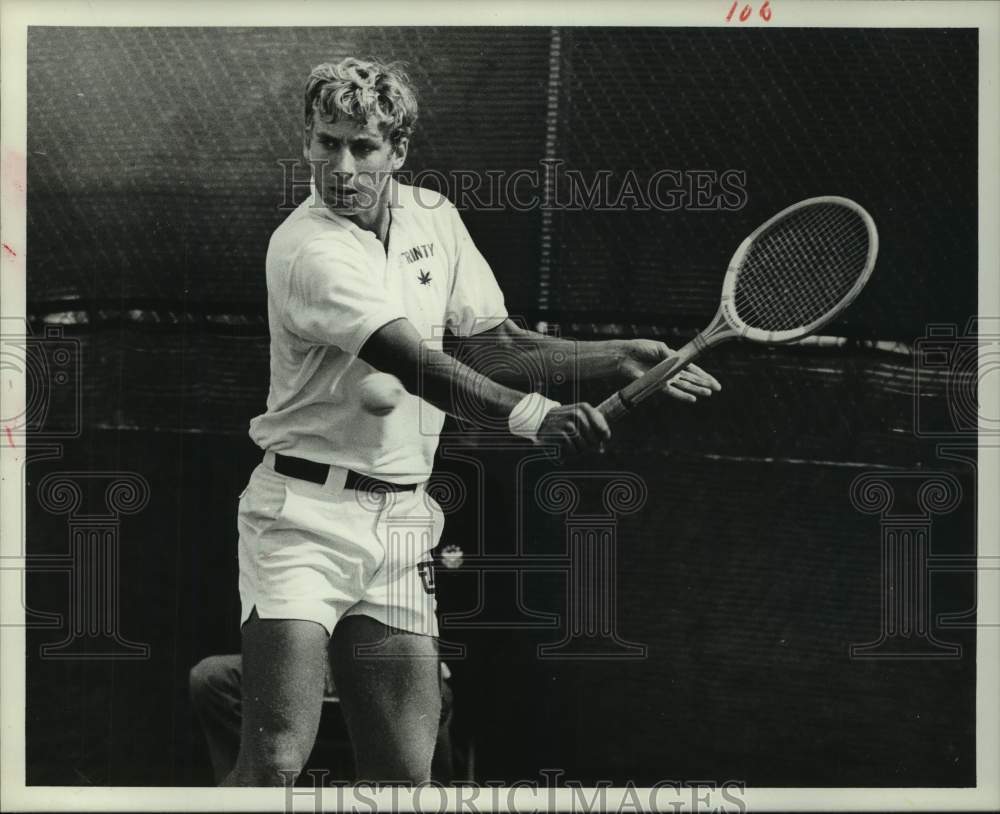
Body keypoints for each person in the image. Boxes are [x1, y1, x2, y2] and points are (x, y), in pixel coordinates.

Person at [223, 56, 720, 787]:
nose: (342, 165)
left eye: (363, 147)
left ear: (398, 151)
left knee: (405, 773)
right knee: (274, 756)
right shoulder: (307, 249)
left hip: (399, 525)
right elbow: (416, 363)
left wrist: (619, 355)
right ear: (305, 142)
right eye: (325, 142)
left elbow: (494, 345)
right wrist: (534, 416)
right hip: (302, 520)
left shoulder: (434, 218)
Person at [189, 654, 458, 784]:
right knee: (212, 677)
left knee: (435, 691)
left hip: (377, 665)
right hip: (298, 657)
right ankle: (249, 795)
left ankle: (425, 799)